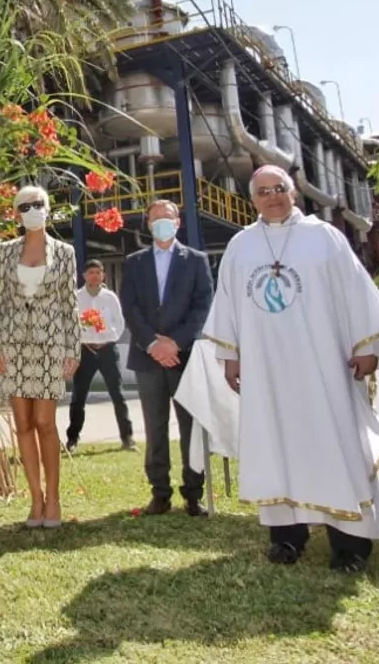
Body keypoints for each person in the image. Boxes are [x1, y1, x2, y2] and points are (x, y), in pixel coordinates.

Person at [199, 167, 379, 572]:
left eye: (279, 189)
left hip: (324, 366)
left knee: (336, 442)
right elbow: (228, 307)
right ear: (251, 199)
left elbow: (357, 293)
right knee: (277, 444)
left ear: (294, 193)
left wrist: (367, 346)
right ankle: (287, 538)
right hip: (267, 371)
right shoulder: (241, 246)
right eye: (263, 191)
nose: (272, 197)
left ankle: (350, 544)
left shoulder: (324, 238)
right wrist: (233, 356)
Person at [0, 186, 81, 528]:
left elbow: (70, 304)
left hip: (50, 346)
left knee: (44, 422)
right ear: (16, 213)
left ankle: (54, 498)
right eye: (25, 206)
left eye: (38, 204)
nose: (32, 209)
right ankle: (36, 499)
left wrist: (74, 348)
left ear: (48, 208)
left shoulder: (65, 252)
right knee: (23, 424)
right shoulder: (6, 251)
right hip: (13, 348)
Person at [119, 198, 214, 517]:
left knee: (190, 427)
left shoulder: (196, 260)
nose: (162, 222)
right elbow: (129, 306)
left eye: (168, 217)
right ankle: (160, 493)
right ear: (147, 224)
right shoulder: (134, 262)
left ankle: (193, 493)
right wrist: (151, 344)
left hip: (184, 356)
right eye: (155, 218)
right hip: (147, 358)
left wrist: (175, 343)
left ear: (178, 222)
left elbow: (202, 305)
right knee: (155, 427)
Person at [66, 259, 134, 454]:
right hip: (85, 350)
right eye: (91, 272)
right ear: (84, 276)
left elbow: (119, 323)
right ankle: (72, 438)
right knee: (79, 397)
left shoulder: (110, 297)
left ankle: (127, 437)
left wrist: (108, 338)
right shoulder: (76, 297)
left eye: (98, 272)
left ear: (103, 275)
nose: (95, 275)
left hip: (107, 349)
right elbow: (70, 324)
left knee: (117, 394)